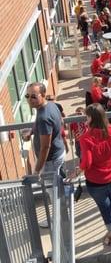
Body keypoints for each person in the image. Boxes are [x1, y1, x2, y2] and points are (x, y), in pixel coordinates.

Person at [78, 103, 111, 249]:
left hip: (96, 181)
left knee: (105, 209)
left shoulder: (85, 138)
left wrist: (78, 169)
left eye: (87, 116)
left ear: (91, 118)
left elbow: (87, 163)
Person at [24, 82, 65, 228]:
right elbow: (59, 122)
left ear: (42, 95)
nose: (30, 99)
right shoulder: (50, 105)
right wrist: (31, 132)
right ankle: (62, 210)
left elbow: (45, 147)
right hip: (58, 153)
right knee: (57, 186)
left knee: (51, 191)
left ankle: (56, 221)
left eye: (34, 96)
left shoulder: (43, 117)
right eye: (27, 96)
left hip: (50, 160)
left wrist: (37, 170)